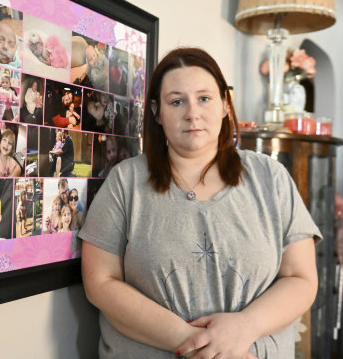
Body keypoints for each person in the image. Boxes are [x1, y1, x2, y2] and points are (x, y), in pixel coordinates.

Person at [79, 47, 321, 358]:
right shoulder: (125, 182)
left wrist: (246, 326)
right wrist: (201, 346)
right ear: (157, 112)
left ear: (224, 103)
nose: (192, 113)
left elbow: (300, 278)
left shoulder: (271, 178)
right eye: (177, 101)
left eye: (204, 98)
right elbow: (100, 282)